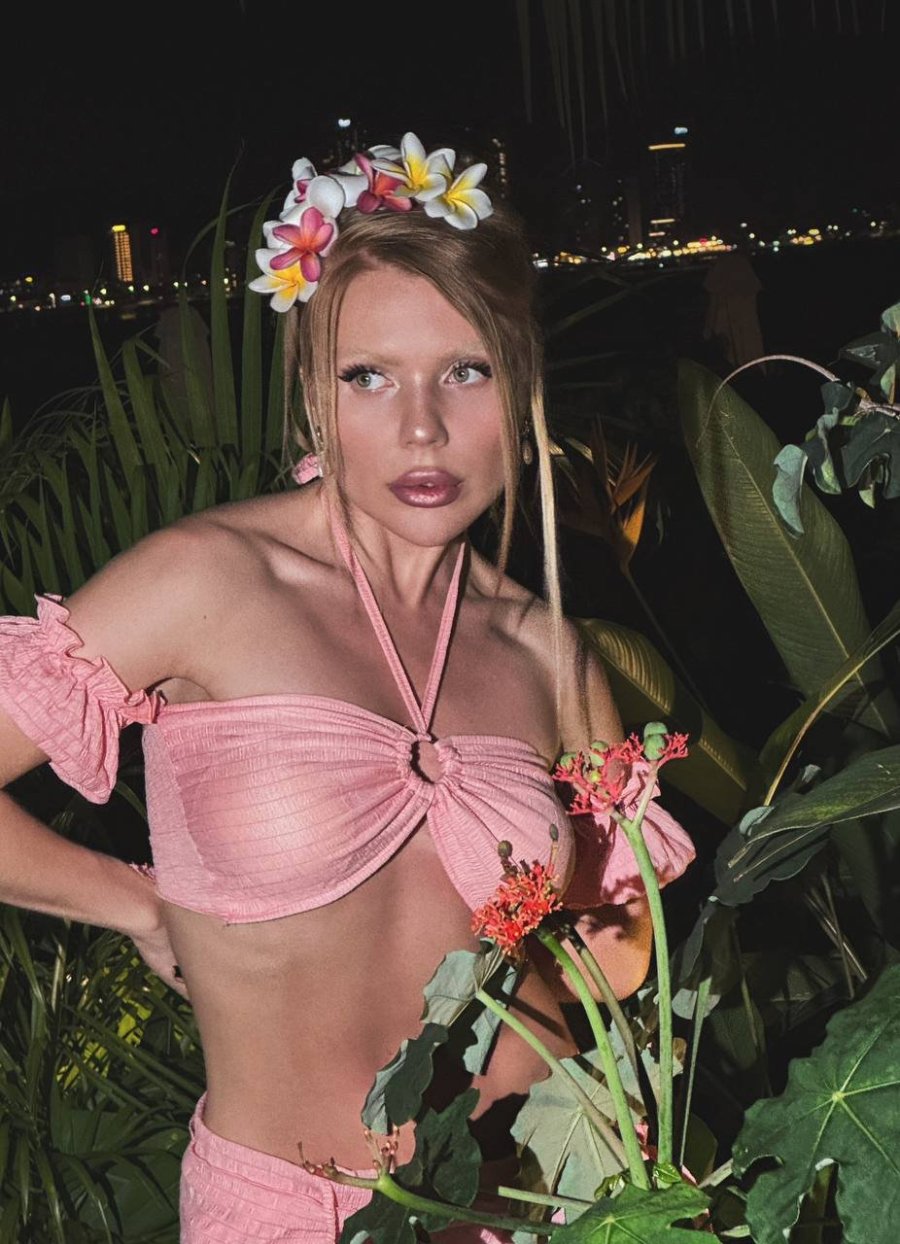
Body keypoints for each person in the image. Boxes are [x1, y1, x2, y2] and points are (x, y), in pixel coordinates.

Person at [0, 132, 694, 1242]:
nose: (422, 427)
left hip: (546, 1191)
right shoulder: (211, 580)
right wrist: (138, 901)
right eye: (368, 375)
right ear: (313, 399)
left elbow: (607, 957)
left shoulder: (546, 648)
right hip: (284, 1208)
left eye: (465, 371)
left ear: (521, 386)